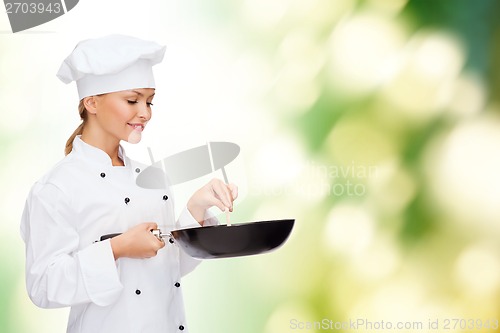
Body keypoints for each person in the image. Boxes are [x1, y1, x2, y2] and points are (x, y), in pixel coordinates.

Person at [20, 34, 237, 333]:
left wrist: (196, 208)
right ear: (92, 102)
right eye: (132, 100)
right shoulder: (56, 188)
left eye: (149, 101)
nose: (145, 113)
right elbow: (43, 285)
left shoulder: (154, 179)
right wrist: (116, 249)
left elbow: (168, 268)